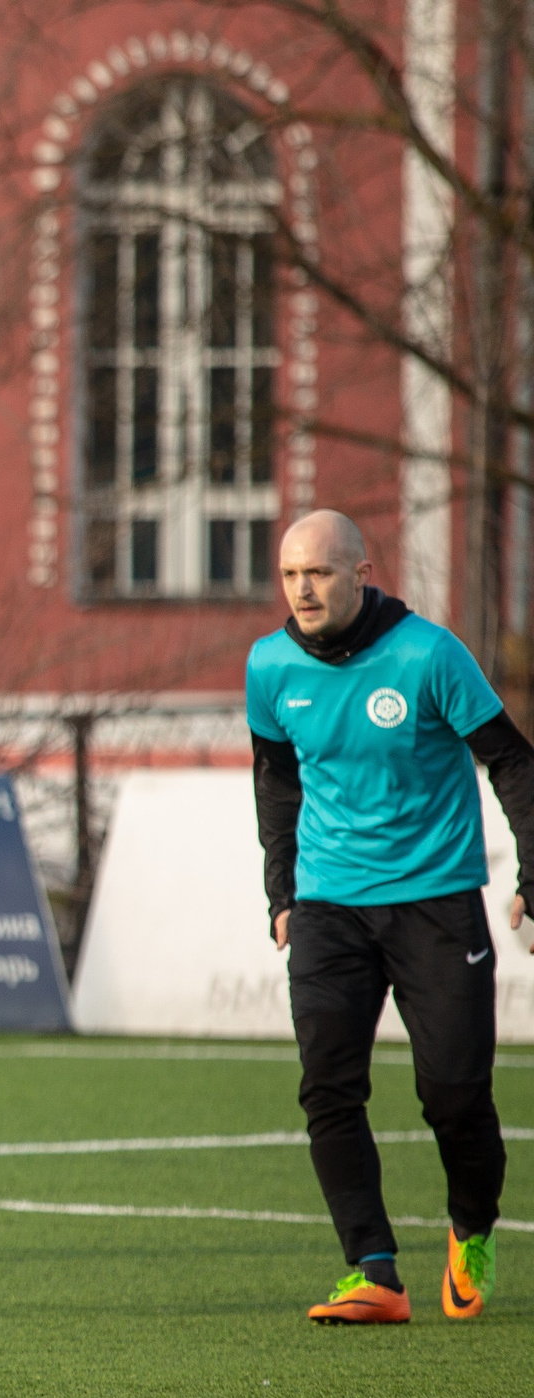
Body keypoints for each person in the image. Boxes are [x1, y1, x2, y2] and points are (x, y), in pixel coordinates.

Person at [250, 509, 534, 1324]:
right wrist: (283, 892)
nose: (303, 588)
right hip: (329, 907)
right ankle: (373, 1267)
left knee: (453, 1094)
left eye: (320, 572)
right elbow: (275, 782)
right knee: (327, 1088)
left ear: (360, 572)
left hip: (434, 901)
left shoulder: (428, 655)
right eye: (291, 574)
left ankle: (471, 1225)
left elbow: (512, 762)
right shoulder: (269, 666)